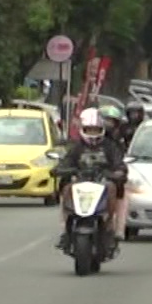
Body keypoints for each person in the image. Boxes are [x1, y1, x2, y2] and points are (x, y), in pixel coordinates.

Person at [53, 107, 127, 250]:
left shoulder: (109, 146)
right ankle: (66, 229)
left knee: (112, 188)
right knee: (67, 188)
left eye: (95, 129)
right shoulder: (76, 147)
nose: (92, 133)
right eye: (89, 130)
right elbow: (66, 162)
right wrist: (60, 169)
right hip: (80, 183)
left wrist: (118, 172)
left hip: (102, 183)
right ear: (83, 130)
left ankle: (109, 223)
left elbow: (119, 163)